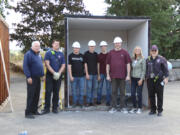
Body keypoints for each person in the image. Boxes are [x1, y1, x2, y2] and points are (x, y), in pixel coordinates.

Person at [106, 37, 131, 113]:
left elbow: (128, 64)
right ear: (114, 44)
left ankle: (123, 107)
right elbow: (107, 64)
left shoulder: (125, 52)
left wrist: (128, 75)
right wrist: (107, 75)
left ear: (121, 43)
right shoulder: (110, 53)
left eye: (118, 43)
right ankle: (113, 107)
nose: (117, 44)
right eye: (116, 43)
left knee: (123, 92)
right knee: (113, 92)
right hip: (113, 76)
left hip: (123, 76)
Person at [42, 40, 65, 114]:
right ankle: (46, 109)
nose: (57, 45)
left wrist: (59, 73)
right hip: (50, 75)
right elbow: (47, 64)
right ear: (52, 45)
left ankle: (55, 108)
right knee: (48, 92)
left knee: (56, 92)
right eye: (55, 44)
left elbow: (63, 65)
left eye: (58, 44)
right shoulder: (48, 53)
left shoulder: (61, 54)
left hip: (58, 76)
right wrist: (54, 73)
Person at [23, 41, 44, 119]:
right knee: (31, 96)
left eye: (38, 46)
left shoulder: (38, 55)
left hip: (38, 78)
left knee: (36, 95)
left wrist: (42, 75)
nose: (37, 47)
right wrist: (28, 77)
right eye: (36, 46)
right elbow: (25, 66)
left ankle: (34, 110)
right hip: (31, 78)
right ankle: (28, 112)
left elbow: (40, 66)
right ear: (32, 47)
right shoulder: (28, 54)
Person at [146, 45, 169, 116]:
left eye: (155, 50)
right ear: (150, 51)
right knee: (151, 95)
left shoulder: (162, 59)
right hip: (150, 80)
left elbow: (166, 70)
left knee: (160, 95)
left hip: (159, 80)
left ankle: (159, 110)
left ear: (157, 51)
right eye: (152, 50)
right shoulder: (148, 59)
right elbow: (146, 70)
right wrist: (145, 77)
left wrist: (166, 78)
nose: (153, 52)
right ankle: (153, 110)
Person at [129, 46, 146, 114]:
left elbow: (144, 70)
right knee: (132, 93)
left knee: (139, 94)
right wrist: (130, 78)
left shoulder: (143, 59)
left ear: (140, 51)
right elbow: (130, 69)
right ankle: (134, 107)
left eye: (138, 50)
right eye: (136, 49)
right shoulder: (132, 59)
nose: (137, 51)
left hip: (139, 78)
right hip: (133, 78)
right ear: (134, 51)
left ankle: (140, 108)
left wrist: (141, 79)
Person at [68, 41, 85, 108]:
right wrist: (70, 76)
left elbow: (84, 65)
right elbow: (69, 66)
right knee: (74, 90)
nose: (76, 49)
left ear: (79, 48)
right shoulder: (70, 56)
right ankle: (75, 103)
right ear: (73, 48)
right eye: (75, 48)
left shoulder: (82, 56)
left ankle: (81, 103)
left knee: (81, 90)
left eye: (77, 48)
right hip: (74, 77)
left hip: (81, 77)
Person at [84, 40, 98, 106]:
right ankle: (87, 102)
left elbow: (97, 64)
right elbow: (85, 64)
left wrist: (98, 74)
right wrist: (86, 73)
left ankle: (92, 102)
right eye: (90, 46)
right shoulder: (86, 54)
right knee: (89, 88)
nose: (92, 47)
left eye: (93, 46)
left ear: (94, 47)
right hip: (89, 74)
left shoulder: (96, 54)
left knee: (94, 88)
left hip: (95, 74)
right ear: (88, 46)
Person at [97, 41, 111, 106]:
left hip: (108, 74)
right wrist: (98, 74)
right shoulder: (99, 55)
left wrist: (110, 74)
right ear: (100, 47)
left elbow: (111, 65)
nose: (103, 47)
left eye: (104, 46)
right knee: (99, 87)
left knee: (108, 88)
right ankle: (98, 100)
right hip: (101, 73)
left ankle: (108, 101)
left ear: (106, 47)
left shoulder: (109, 55)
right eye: (102, 46)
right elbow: (98, 65)